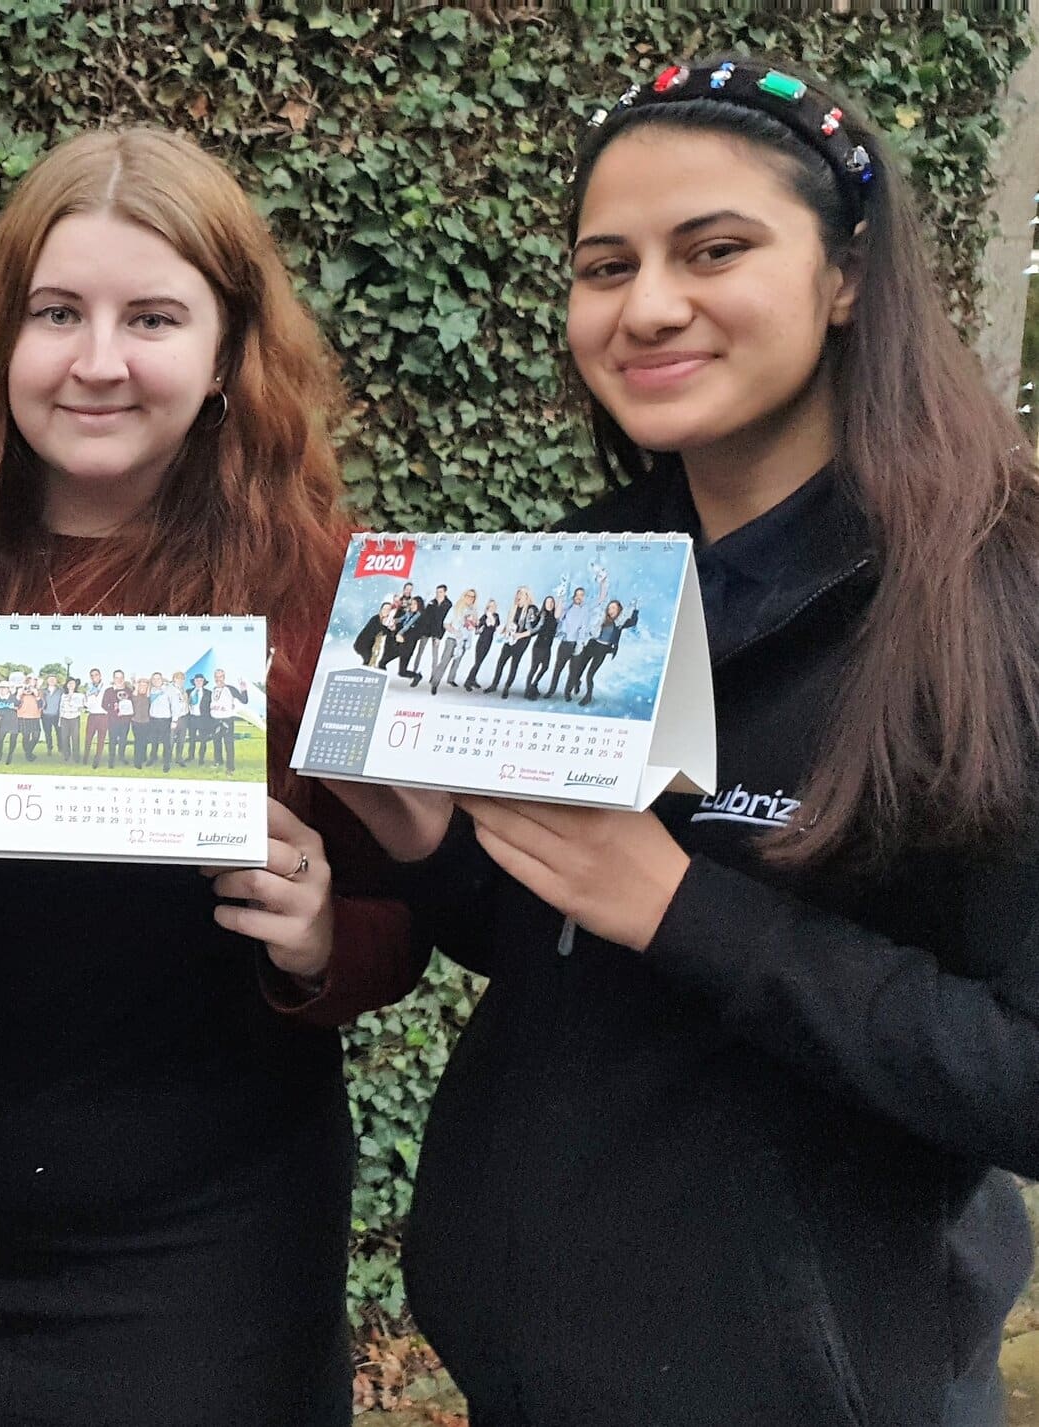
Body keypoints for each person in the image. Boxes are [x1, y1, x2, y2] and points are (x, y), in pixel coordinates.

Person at [326, 57, 1039, 1427]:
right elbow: (561, 938)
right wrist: (427, 848)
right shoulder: (579, 578)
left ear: (847, 275)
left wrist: (684, 906)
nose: (648, 305)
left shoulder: (992, 604)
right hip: (524, 1360)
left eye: (715, 250)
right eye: (606, 265)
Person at [0, 127, 423, 1426]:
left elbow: (419, 910)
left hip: (214, 1251)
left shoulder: (333, 597)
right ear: (2, 342)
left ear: (226, 357)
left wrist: (325, 935)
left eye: (152, 315)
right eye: (57, 313)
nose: (98, 360)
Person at [571, 597, 640, 707]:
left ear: (618, 610)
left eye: (613, 607)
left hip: (602, 650)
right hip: (592, 645)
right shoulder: (602, 618)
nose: (610, 609)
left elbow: (633, 622)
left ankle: (588, 696)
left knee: (590, 675)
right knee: (578, 670)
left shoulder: (619, 623)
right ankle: (577, 682)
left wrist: (635, 610)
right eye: (609, 607)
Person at [485, 585, 536, 695]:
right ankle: (494, 685)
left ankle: (507, 687)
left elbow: (532, 630)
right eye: (518, 593)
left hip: (522, 641)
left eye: (522, 593)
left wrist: (519, 635)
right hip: (510, 639)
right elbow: (510, 624)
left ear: (527, 596)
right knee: (501, 662)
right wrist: (503, 631)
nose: (519, 595)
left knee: (514, 664)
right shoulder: (513, 608)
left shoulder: (531, 609)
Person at [519, 590, 562, 698]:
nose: (550, 604)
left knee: (545, 667)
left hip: (548, 647)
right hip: (538, 646)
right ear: (544, 604)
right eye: (548, 602)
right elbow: (533, 628)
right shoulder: (540, 615)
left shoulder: (555, 618)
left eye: (552, 602)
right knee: (534, 668)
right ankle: (527, 690)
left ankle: (534, 684)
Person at [463, 597, 501, 690]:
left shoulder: (495, 616)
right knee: (478, 662)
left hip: (488, 641)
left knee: (479, 662)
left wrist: (489, 616)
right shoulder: (484, 617)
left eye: (493, 606)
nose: (491, 608)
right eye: (489, 606)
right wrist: (474, 625)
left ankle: (473, 679)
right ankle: (468, 681)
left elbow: (494, 624)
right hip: (481, 641)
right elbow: (477, 630)